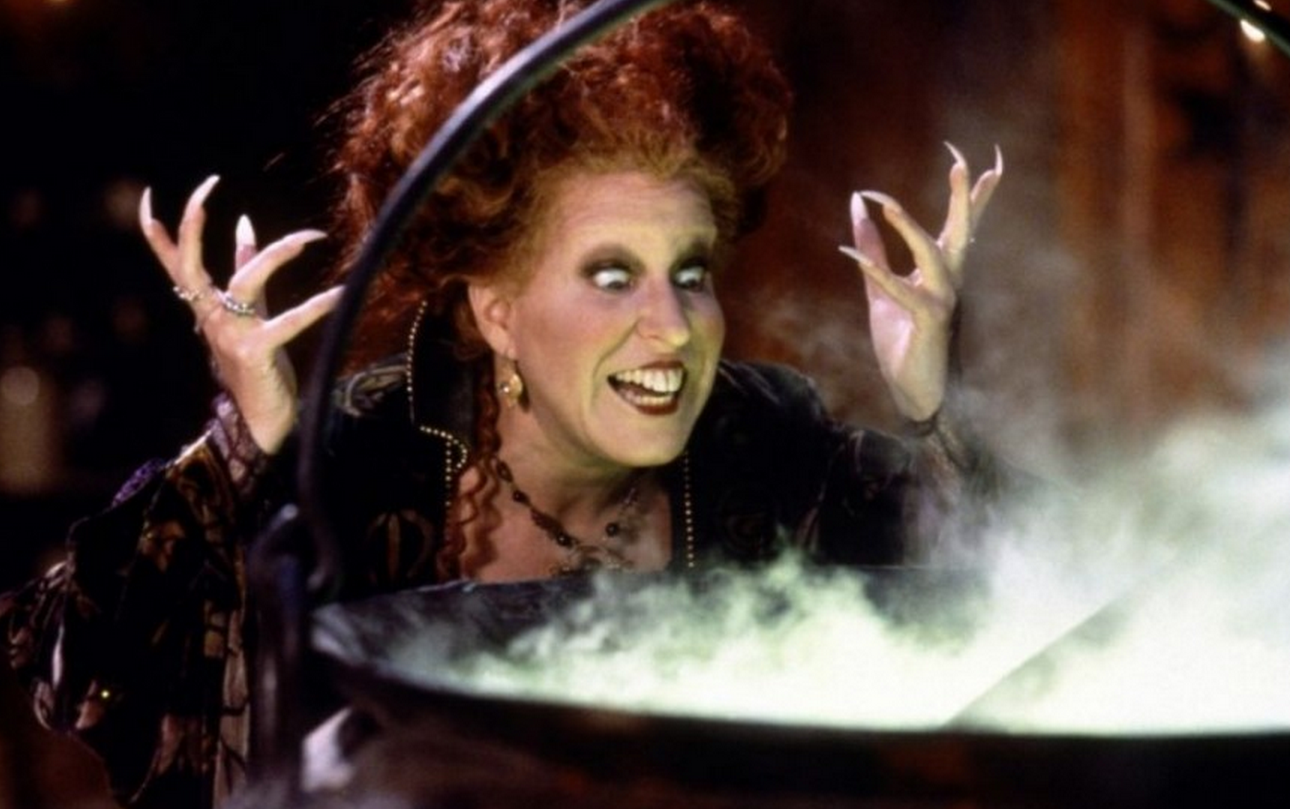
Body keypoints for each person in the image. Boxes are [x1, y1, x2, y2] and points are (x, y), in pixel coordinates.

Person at [0, 0, 1004, 807]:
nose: (673, 327)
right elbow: (66, 659)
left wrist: (933, 410)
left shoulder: (767, 440)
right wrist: (242, 451)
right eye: (612, 276)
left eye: (691, 272)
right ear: (498, 312)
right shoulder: (355, 453)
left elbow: (1016, 612)